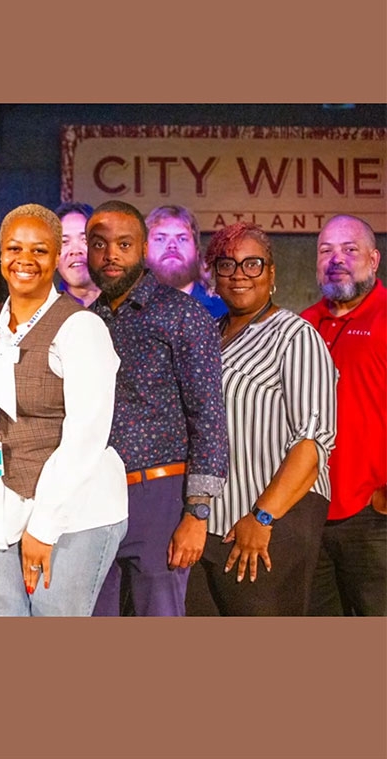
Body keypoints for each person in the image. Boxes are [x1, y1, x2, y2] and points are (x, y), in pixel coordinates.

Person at [0, 204, 127, 616]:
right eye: (14, 248)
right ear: (1, 256)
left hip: (73, 513)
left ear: (57, 258)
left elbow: (86, 437)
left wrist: (44, 527)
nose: (25, 260)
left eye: (39, 250)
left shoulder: (80, 328)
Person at [86, 200, 228, 617]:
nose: (111, 254)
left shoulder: (182, 314)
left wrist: (196, 513)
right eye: (100, 244)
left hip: (160, 495)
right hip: (96, 498)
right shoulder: (86, 321)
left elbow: (208, 416)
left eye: (124, 244)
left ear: (142, 248)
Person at [187, 222, 337, 616]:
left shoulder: (294, 335)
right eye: (227, 264)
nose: (239, 274)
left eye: (253, 264)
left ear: (272, 273)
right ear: (212, 275)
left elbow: (312, 443)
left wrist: (263, 517)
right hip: (209, 526)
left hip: (268, 522)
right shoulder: (207, 335)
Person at [302, 215, 386, 616]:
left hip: (373, 515)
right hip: (309, 512)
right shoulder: (302, 325)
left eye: (350, 250)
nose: (337, 259)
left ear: (374, 259)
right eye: (326, 250)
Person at [145, 204, 227, 318]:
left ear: (197, 252)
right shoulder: (124, 311)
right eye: (160, 239)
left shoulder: (224, 312)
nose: (172, 246)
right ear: (143, 251)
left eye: (182, 239)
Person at [55, 202, 100, 307]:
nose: (75, 250)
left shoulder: (127, 304)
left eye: (85, 239)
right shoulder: (43, 310)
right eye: (64, 242)